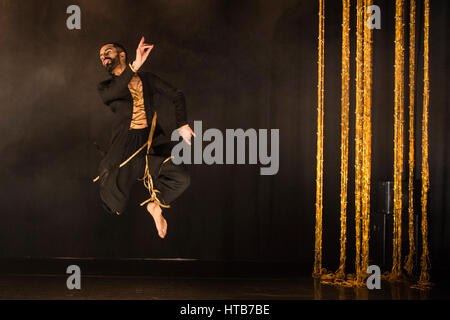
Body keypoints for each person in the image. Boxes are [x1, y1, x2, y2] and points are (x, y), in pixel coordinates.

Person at [95, 36, 195, 239]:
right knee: (115, 205)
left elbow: (177, 94)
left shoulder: (147, 79)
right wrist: (134, 66)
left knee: (181, 178)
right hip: (125, 150)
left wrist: (182, 124)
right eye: (100, 56)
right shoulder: (106, 87)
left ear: (122, 54)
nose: (103, 56)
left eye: (108, 51)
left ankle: (155, 206)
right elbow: (114, 92)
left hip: (148, 146)